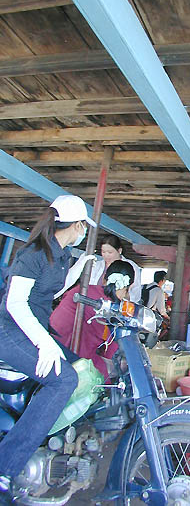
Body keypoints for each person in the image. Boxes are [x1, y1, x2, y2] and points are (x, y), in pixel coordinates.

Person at [0, 195, 97, 503]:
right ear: (78, 224)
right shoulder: (33, 253)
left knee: (85, 370)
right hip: (10, 330)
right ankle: (6, 465)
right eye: (84, 227)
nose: (84, 231)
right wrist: (44, 344)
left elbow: (55, 286)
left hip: (37, 329)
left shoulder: (63, 253)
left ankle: (52, 440)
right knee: (65, 379)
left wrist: (81, 264)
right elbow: (15, 303)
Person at [50, 260, 135, 379]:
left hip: (50, 342)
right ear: (130, 286)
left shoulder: (83, 290)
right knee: (114, 374)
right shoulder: (111, 309)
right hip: (73, 352)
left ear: (104, 278)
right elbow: (109, 348)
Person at [68, 235, 141, 303]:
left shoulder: (131, 267)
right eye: (103, 252)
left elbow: (136, 294)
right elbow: (89, 285)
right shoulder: (97, 265)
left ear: (119, 251)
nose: (106, 255)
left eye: (110, 252)